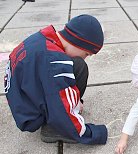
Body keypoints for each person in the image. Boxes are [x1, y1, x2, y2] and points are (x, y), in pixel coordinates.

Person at [4, 14, 107, 145]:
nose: (85, 57)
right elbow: (60, 104)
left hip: (22, 101)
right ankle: (53, 129)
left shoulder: (44, 38)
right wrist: (96, 133)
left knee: (78, 65)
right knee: (77, 68)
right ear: (78, 42)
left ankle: (65, 108)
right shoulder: (54, 61)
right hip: (31, 116)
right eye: (87, 53)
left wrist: (76, 101)